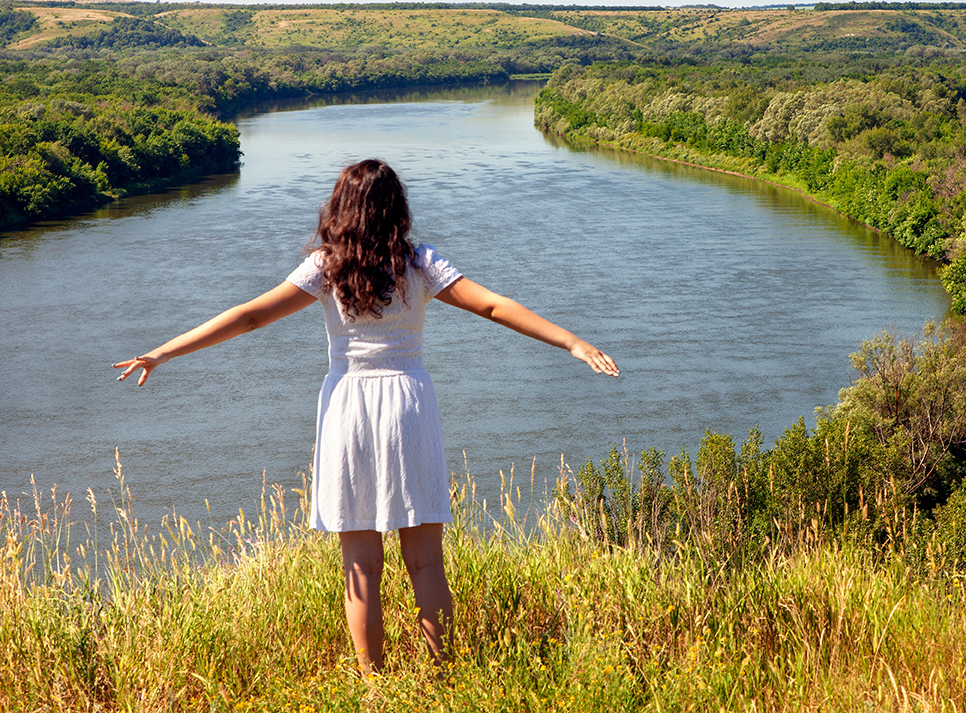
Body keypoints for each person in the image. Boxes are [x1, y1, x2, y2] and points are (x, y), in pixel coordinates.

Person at [113, 158, 619, 673]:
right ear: (396, 207)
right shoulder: (418, 263)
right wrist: (571, 342)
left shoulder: (326, 266)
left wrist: (164, 352)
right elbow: (492, 306)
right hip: (408, 404)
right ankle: (444, 675)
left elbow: (248, 316)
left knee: (359, 567)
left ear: (341, 209)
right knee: (425, 562)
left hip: (348, 406)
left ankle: (373, 683)